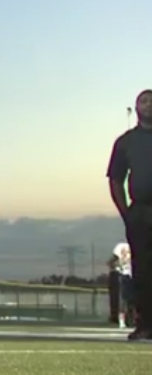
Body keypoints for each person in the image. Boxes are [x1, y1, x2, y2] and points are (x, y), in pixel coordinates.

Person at [107, 89, 152, 342]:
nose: (150, 105)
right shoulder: (125, 142)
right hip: (141, 213)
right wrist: (126, 213)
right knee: (143, 271)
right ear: (137, 108)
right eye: (144, 101)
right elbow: (115, 180)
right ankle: (145, 325)